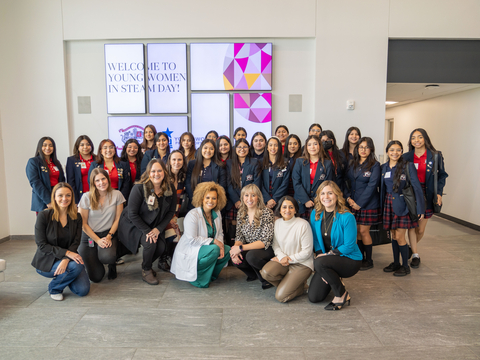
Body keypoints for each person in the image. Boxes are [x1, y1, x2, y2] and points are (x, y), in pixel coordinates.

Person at [118, 159, 176, 285]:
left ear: (165, 172)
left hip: (155, 224)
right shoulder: (139, 188)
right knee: (150, 242)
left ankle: (146, 262)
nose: (157, 174)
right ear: (148, 173)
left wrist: (158, 229)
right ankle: (146, 270)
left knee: (161, 247)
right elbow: (132, 214)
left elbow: (170, 212)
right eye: (153, 171)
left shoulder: (170, 188)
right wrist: (148, 231)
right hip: (134, 224)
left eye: (159, 170)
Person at [308, 181, 362, 310]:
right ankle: (331, 275)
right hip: (326, 260)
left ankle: (341, 294)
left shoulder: (347, 217)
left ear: (337, 195)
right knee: (314, 297)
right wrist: (321, 254)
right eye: (323, 193)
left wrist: (326, 257)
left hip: (349, 260)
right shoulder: (315, 214)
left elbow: (349, 245)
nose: (326, 197)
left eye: (330, 193)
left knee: (319, 263)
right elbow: (315, 239)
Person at [31, 183, 90, 301]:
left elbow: (76, 242)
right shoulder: (44, 216)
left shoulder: (77, 217)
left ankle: (66, 276)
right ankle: (55, 288)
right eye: (60, 195)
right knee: (77, 265)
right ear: (54, 197)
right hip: (46, 261)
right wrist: (67, 254)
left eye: (68, 195)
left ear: (72, 197)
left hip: (68, 259)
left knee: (83, 290)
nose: (64, 199)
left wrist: (65, 259)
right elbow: (42, 245)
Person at [170, 182, 231, 288]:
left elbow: (220, 232)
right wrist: (215, 242)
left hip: (207, 248)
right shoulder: (193, 215)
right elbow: (192, 240)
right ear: (201, 198)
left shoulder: (217, 213)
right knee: (214, 249)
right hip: (192, 249)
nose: (210, 201)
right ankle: (197, 278)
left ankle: (210, 275)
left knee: (227, 250)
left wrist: (221, 245)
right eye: (207, 197)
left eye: (214, 198)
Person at [403, 128, 448, 268]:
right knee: (412, 225)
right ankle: (415, 254)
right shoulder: (406, 157)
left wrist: (439, 193)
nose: (416, 140)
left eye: (420, 137)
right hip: (411, 194)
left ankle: (411, 247)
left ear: (425, 139)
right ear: (410, 141)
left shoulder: (435, 156)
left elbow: (442, 176)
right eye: (413, 138)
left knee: (420, 230)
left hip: (428, 194)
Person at [381, 141, 425, 276]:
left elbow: (417, 187)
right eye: (392, 150)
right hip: (388, 203)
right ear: (387, 152)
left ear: (401, 152)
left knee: (400, 236)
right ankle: (396, 263)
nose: (395, 153)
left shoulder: (407, 166)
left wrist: (420, 209)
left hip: (402, 204)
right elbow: (382, 188)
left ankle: (405, 266)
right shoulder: (384, 167)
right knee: (393, 235)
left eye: (398, 150)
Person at [260, 196, 313, 303]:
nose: (287, 210)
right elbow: (275, 245)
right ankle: (297, 285)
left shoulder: (303, 224)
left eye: (291, 207)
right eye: (284, 207)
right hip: (284, 260)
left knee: (281, 297)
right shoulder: (277, 223)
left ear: (295, 210)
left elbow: (307, 252)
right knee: (266, 273)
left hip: (302, 264)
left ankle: (297, 288)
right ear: (279, 209)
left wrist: (289, 259)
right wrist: (282, 257)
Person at [78, 168, 125, 282]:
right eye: (97, 180)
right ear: (93, 183)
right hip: (89, 236)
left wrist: (109, 236)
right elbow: (83, 224)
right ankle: (96, 256)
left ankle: (111, 262)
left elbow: (118, 218)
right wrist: (98, 241)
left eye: (103, 179)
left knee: (107, 257)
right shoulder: (86, 197)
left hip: (108, 233)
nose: (101, 182)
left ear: (108, 179)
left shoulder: (117, 194)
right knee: (96, 277)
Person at [344, 137, 381, 270]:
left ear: (370, 149)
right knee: (357, 232)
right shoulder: (352, 163)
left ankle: (369, 260)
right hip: (353, 202)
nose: (363, 150)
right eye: (361, 147)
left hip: (368, 204)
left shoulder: (375, 165)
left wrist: (360, 203)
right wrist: (348, 199)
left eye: (366, 147)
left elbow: (372, 186)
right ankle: (360, 258)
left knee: (364, 231)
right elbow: (345, 182)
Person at [229, 184, 275, 289]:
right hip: (250, 248)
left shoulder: (266, 213)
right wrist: (235, 249)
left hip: (267, 249)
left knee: (251, 256)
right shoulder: (241, 213)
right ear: (242, 198)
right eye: (246, 195)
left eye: (253, 195)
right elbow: (239, 236)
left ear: (258, 197)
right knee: (233, 256)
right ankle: (253, 274)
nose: (249, 199)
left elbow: (264, 241)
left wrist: (241, 248)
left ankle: (266, 278)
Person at [225, 139, 262, 243]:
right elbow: (229, 184)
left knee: (249, 223)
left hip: (250, 200)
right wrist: (237, 200)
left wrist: (246, 200)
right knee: (234, 225)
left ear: (248, 148)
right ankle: (233, 249)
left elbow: (256, 183)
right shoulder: (229, 163)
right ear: (235, 149)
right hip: (234, 201)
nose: (242, 149)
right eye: (239, 147)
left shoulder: (254, 162)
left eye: (245, 147)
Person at [158, 150, 188, 272]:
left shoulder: (182, 177)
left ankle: (170, 256)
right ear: (169, 161)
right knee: (173, 235)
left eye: (179, 159)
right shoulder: (163, 177)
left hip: (175, 213)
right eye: (174, 159)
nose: (176, 162)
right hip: (162, 215)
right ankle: (162, 259)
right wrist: (170, 219)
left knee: (179, 239)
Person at [292, 135, 334, 219]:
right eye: (309, 144)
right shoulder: (300, 162)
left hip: (320, 201)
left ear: (319, 146)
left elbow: (328, 185)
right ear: (306, 147)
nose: (312, 147)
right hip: (301, 201)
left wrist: (316, 199)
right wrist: (306, 200)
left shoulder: (327, 164)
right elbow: (296, 182)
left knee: (317, 228)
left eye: (315, 144)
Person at [26, 137, 66, 213]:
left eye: (50, 145)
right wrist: (49, 201)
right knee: (46, 224)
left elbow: (62, 180)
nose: (48, 148)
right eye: (44, 145)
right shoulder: (33, 162)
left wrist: (62, 197)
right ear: (39, 147)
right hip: (43, 200)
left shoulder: (56, 162)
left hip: (59, 197)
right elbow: (35, 183)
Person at [186, 139, 227, 207]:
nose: (208, 151)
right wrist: (195, 200)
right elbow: (188, 184)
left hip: (213, 204)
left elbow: (222, 186)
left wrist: (212, 201)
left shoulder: (220, 166)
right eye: (205, 148)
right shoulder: (192, 164)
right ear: (201, 149)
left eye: (211, 148)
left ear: (214, 151)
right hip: (194, 204)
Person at [261, 137, 290, 210]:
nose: (273, 147)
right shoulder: (260, 162)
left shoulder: (285, 162)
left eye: (276, 145)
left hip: (279, 199)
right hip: (264, 199)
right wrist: (267, 199)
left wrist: (274, 199)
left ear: (279, 148)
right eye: (270, 145)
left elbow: (285, 183)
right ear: (267, 147)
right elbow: (259, 183)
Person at [66, 135, 96, 204]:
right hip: (80, 195)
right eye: (82, 145)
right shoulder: (72, 160)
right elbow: (71, 182)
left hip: (96, 195)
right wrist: (75, 200)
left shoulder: (97, 159)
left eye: (88, 144)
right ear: (78, 147)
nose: (85, 147)